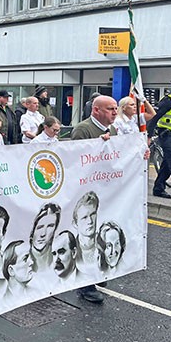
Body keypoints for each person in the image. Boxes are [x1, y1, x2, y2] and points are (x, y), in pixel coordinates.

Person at [70, 94, 118, 303]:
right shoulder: (84, 129)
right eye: (110, 109)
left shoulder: (113, 130)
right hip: (87, 192)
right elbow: (75, 157)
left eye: (116, 108)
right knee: (86, 237)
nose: (115, 112)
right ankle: (85, 286)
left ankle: (96, 272)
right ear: (96, 110)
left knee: (101, 232)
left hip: (105, 190)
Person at [29, 203, 61, 276]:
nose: (43, 233)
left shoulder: (58, 257)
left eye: (50, 226)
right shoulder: (20, 256)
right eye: (39, 227)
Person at [72, 191, 100, 274]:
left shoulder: (104, 243)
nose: (90, 221)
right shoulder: (71, 250)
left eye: (93, 214)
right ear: (75, 224)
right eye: (84, 217)